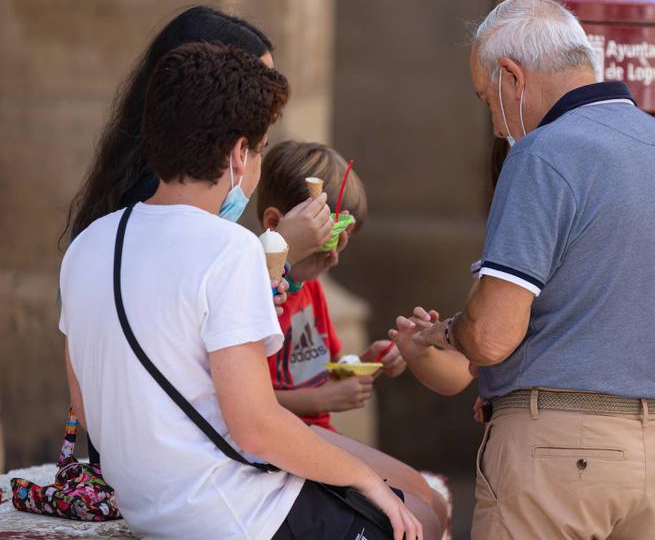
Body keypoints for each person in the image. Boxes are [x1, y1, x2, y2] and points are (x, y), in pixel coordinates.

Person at [60, 43, 423, 539]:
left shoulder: (88, 243)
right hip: (235, 512)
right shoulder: (231, 249)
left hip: (147, 507)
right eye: (261, 148)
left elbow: (83, 407)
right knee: (416, 516)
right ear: (237, 154)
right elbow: (256, 426)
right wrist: (365, 479)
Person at [390, 0, 655, 539]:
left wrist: (447, 332)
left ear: (513, 78)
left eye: (487, 99)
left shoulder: (541, 154)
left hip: (556, 457)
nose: (497, 126)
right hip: (654, 454)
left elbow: (491, 337)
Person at [254, 141, 449, 534]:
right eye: (329, 241)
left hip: (318, 434)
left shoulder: (312, 291)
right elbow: (244, 399)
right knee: (418, 517)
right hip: (283, 445)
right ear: (277, 225)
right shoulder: (259, 296)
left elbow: (319, 369)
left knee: (433, 500)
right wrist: (319, 399)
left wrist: (365, 362)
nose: (336, 258)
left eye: (345, 243)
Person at [64, 5, 337, 284]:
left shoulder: (102, 233)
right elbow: (190, 311)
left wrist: (287, 272)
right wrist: (281, 253)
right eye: (256, 88)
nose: (266, 105)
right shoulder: (152, 219)